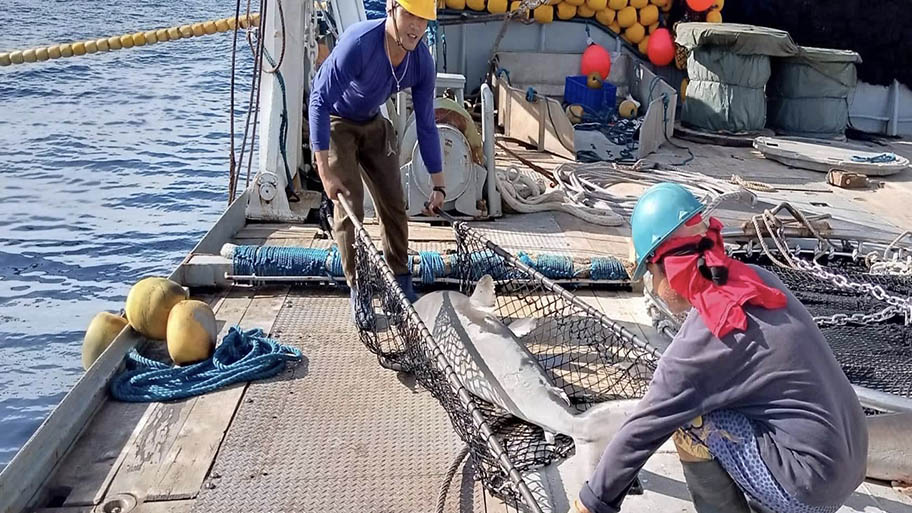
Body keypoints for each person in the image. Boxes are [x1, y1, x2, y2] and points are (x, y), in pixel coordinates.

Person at [570, 183, 868, 513]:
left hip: (811, 488)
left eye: (652, 275)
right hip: (850, 463)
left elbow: (643, 428)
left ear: (669, 267)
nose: (653, 287)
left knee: (690, 420)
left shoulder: (709, 335)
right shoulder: (757, 278)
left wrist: (590, 504)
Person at [308, 0, 445, 327]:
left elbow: (426, 123)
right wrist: (325, 171)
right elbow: (319, 100)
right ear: (391, 8)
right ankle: (359, 287)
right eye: (409, 14)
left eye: (423, 19)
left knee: (393, 203)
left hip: (373, 121)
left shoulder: (421, 61)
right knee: (350, 206)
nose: (416, 26)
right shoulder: (360, 44)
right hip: (338, 121)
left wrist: (439, 183)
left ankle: (399, 283)